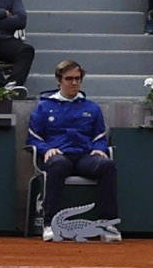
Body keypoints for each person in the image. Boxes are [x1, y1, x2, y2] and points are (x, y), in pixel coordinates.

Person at [21, 58, 118, 235]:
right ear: (59, 81)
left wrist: (99, 148)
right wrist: (46, 149)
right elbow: (33, 138)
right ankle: (50, 224)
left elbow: (99, 136)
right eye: (69, 79)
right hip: (58, 156)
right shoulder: (44, 107)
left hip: (84, 156)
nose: (74, 83)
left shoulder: (92, 108)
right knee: (57, 164)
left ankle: (107, 224)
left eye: (77, 78)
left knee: (107, 166)